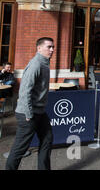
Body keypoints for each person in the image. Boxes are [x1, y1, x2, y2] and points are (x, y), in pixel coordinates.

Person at [5, 37, 55, 170]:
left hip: (39, 112)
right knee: (20, 148)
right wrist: (28, 113)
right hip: (28, 113)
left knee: (47, 139)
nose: (52, 49)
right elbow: (24, 90)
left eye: (53, 47)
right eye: (49, 47)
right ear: (39, 48)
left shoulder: (45, 62)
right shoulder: (36, 64)